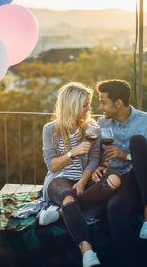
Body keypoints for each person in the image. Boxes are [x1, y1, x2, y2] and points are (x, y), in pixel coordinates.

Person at [40, 82, 121, 267]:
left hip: (83, 178)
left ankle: (61, 213)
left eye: (88, 104)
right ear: (72, 105)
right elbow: (52, 165)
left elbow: (93, 159)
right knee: (68, 196)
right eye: (85, 104)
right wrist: (72, 152)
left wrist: (83, 181)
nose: (88, 109)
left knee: (115, 180)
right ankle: (87, 250)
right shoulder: (50, 129)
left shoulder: (91, 127)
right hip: (58, 179)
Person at [94, 79, 147, 267]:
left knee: (137, 141)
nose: (99, 106)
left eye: (103, 102)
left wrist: (127, 156)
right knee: (114, 207)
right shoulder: (102, 123)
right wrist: (100, 166)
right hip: (123, 182)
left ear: (118, 103)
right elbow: (100, 156)